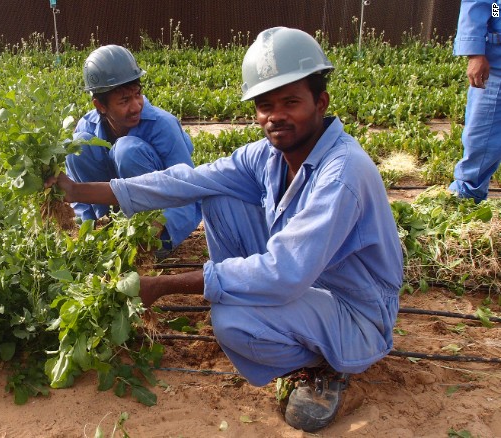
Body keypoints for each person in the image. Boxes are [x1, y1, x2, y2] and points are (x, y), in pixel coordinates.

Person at [46, 27, 403, 432]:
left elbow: (285, 271)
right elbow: (186, 181)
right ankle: (260, 306)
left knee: (233, 323)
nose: (276, 116)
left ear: (320, 102)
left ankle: (326, 365)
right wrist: (77, 190)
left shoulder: (341, 174)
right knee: (218, 195)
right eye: (265, 105)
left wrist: (163, 285)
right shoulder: (266, 156)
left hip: (355, 312)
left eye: (291, 102)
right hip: (310, 281)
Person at [66, 44, 201, 253]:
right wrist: (87, 230)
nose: (136, 106)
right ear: (100, 106)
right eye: (124, 101)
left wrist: (161, 226)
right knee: (78, 146)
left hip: (158, 221)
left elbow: (189, 190)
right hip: (114, 213)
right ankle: (108, 226)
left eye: (137, 95)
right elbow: (76, 190)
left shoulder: (162, 125)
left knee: (127, 150)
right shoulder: (87, 127)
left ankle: (147, 238)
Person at [449, 0, 501, 202]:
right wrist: (476, 53)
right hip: (497, 66)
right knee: (482, 137)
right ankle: (466, 197)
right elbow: (488, 4)